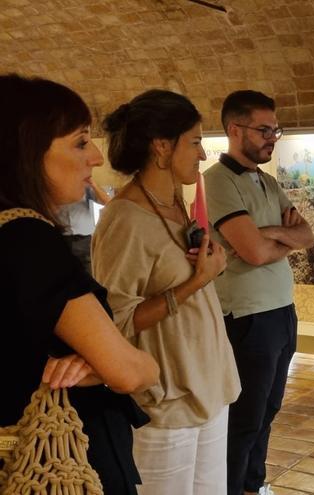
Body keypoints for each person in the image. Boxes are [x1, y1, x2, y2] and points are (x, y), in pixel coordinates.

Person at [0, 73, 159, 493]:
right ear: (26, 151)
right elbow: (129, 372)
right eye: (80, 141)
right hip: (58, 461)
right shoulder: (28, 239)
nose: (96, 159)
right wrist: (111, 366)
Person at [92, 89, 241, 495]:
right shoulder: (124, 219)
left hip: (210, 386)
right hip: (168, 399)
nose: (203, 154)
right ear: (161, 146)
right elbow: (116, 322)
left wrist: (210, 265)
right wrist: (195, 282)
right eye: (194, 142)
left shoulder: (176, 200)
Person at [204, 90, 314, 495]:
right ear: (235, 130)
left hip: (282, 310)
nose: (272, 138)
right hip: (249, 315)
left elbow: (308, 234)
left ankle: (255, 484)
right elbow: (250, 252)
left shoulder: (265, 181)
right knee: (245, 416)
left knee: (269, 409)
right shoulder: (217, 181)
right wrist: (272, 239)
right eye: (264, 130)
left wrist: (269, 233)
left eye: (275, 130)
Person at [58, 179, 111, 274]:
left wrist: (93, 184)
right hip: (61, 238)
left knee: (89, 275)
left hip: (85, 239)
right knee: (64, 274)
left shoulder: (87, 187)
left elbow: (108, 203)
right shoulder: (55, 187)